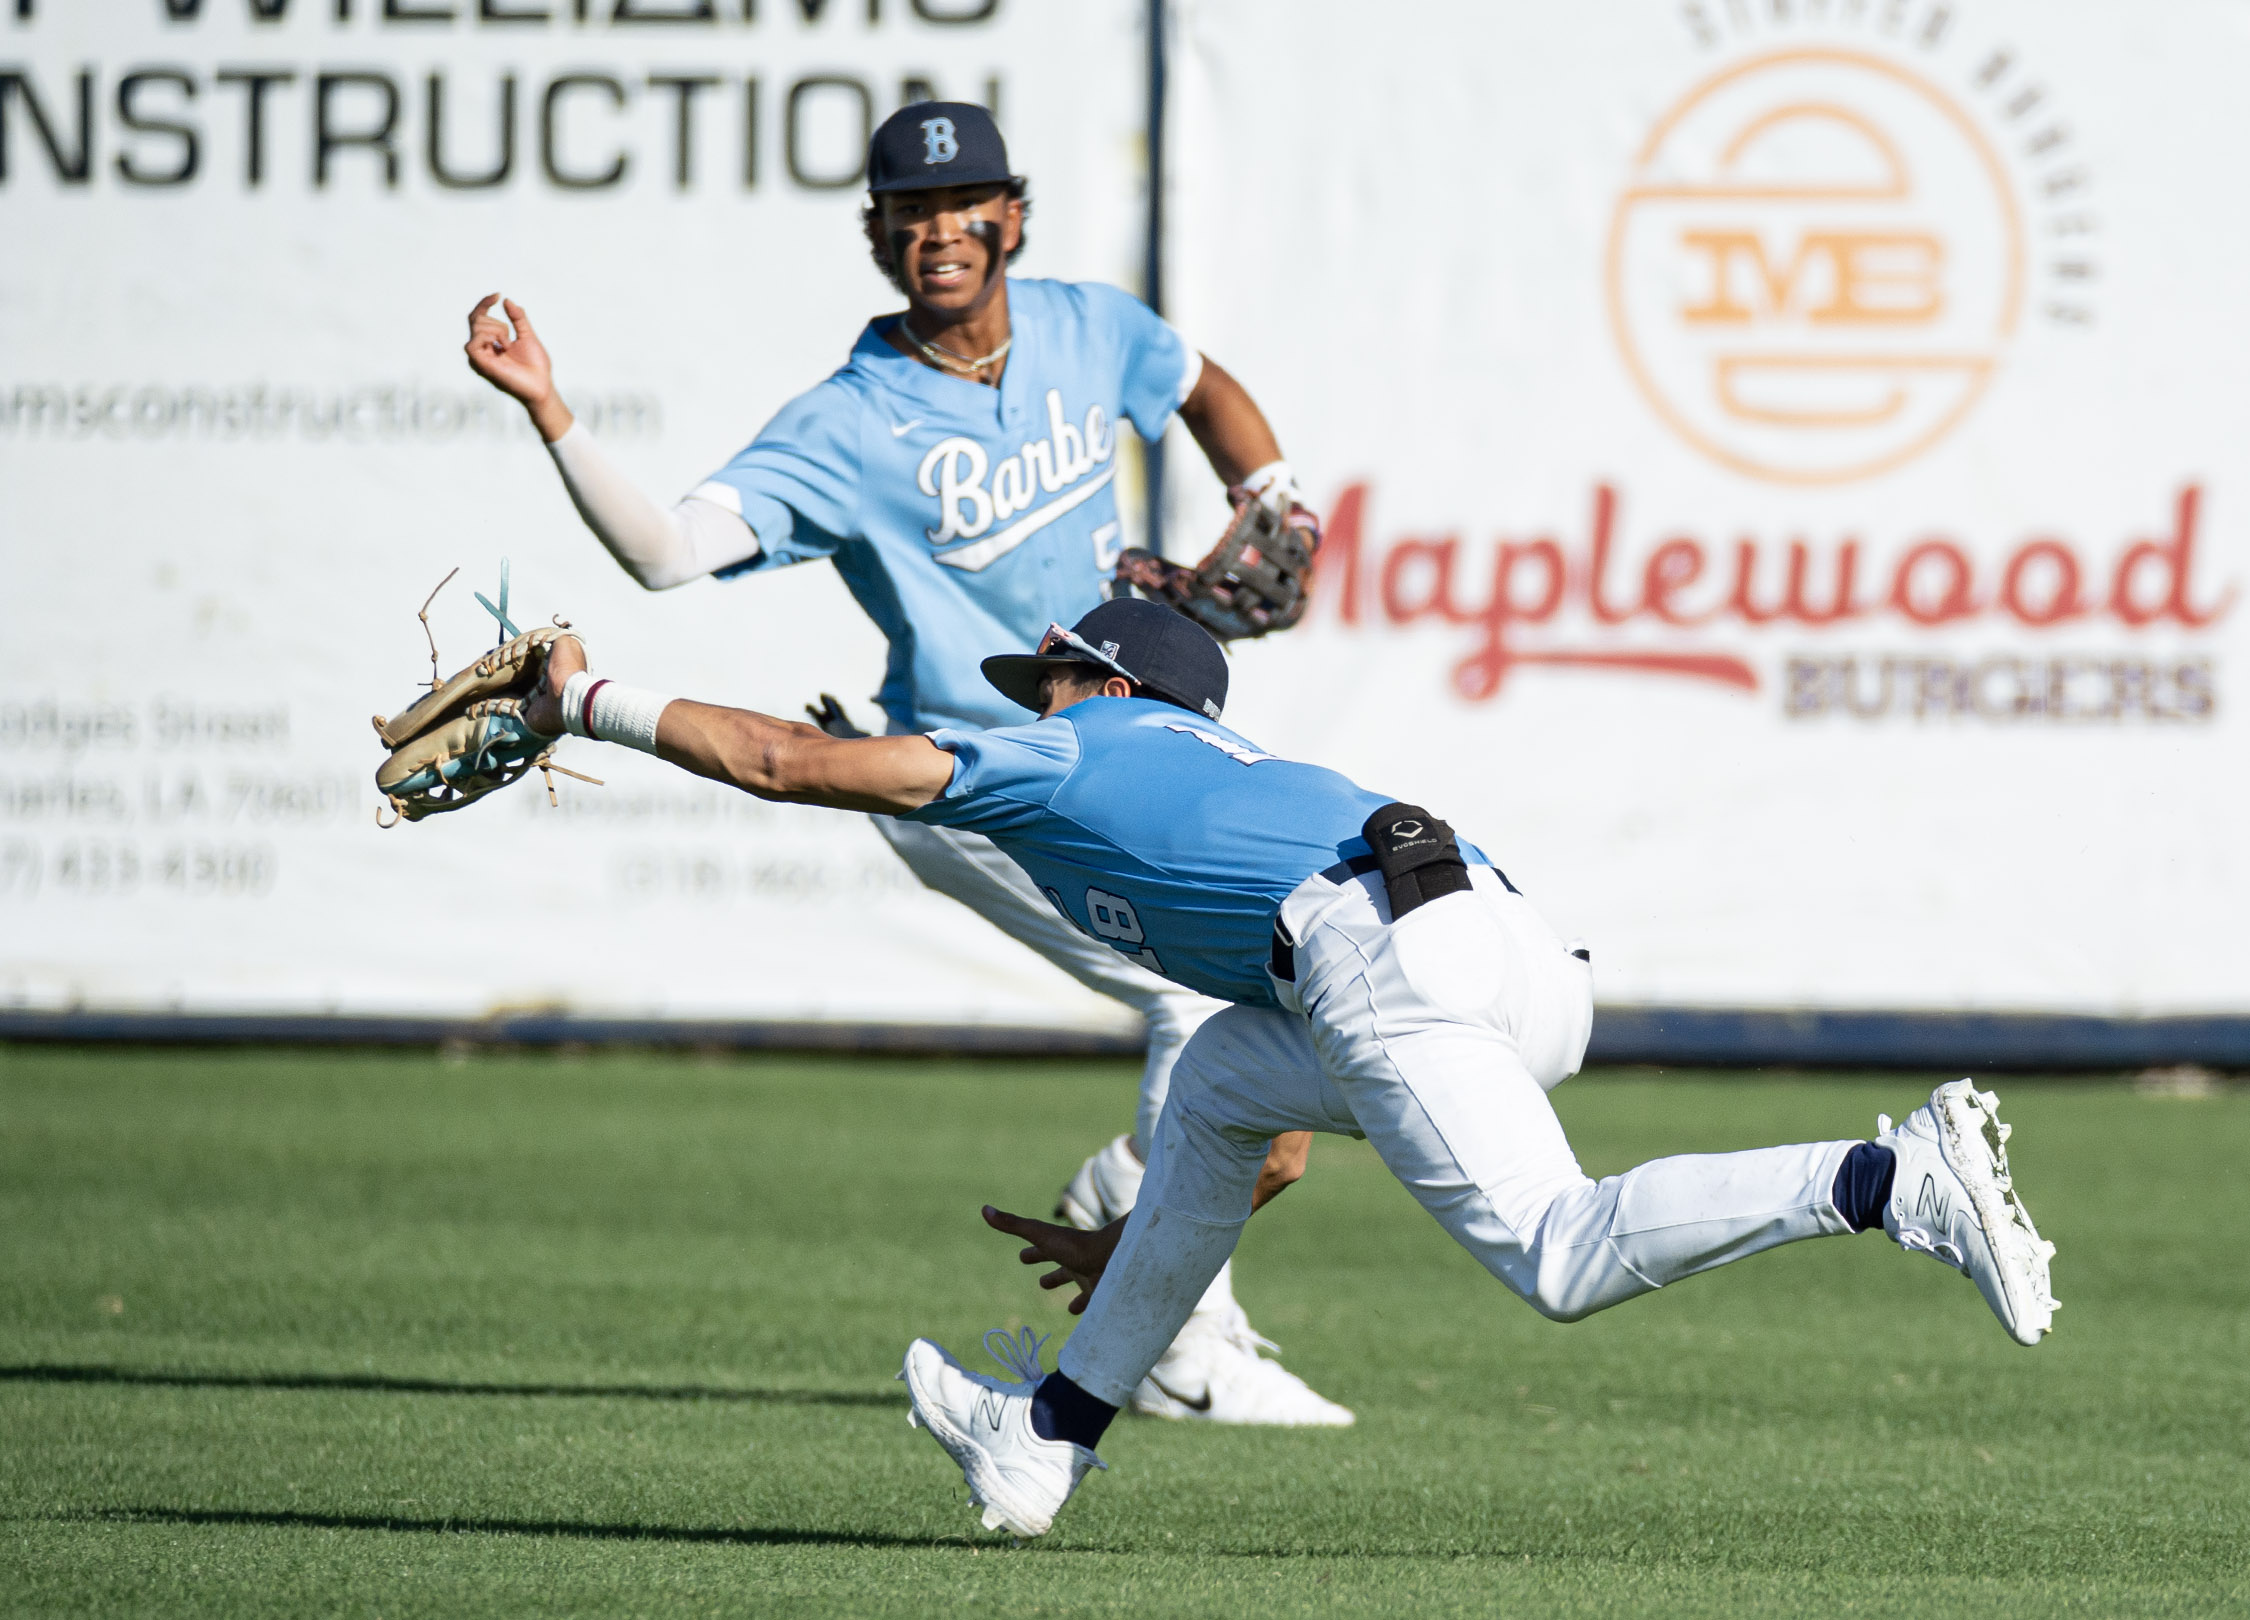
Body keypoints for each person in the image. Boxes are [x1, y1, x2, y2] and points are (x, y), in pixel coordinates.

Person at [511, 597, 2062, 1541]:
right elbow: (1266, 1147)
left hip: (1378, 948)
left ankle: (1887, 1176)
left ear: (1102, 680)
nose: (1025, 702)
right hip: (1501, 957)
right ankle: (1043, 1441)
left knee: (1561, 1257)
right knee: (1216, 1094)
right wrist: (1145, 1270)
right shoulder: (1206, 765)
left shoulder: (1082, 745)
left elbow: (794, 765)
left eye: (1042, 676)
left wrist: (592, 702)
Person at [462, 101, 1347, 1426]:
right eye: (909, 212)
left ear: (1012, 216)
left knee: (1221, 1011)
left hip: (1104, 750)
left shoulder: (1084, 326)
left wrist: (1270, 489)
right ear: (878, 236)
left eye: (963, 204)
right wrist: (552, 412)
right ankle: (1174, 1344)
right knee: (1201, 1011)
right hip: (968, 776)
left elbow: (1200, 385)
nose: (938, 230)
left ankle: (1141, 1234)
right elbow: (662, 553)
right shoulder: (851, 420)